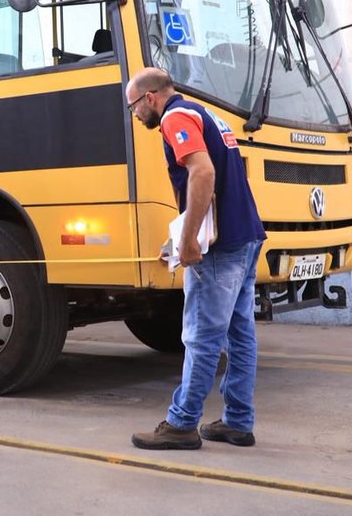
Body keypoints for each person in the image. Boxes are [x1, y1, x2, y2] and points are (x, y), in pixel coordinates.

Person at [126, 68, 266, 450]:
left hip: (220, 248)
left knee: (201, 337)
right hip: (246, 235)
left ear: (150, 97)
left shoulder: (174, 118)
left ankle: (182, 423)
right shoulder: (204, 114)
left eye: (134, 107)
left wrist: (190, 242)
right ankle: (237, 421)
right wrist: (178, 239)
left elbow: (203, 173)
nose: (135, 116)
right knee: (239, 335)